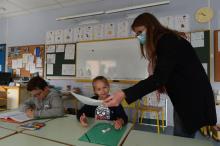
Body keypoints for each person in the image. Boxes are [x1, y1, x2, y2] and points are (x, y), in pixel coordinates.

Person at [104, 12, 217, 138]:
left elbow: (159, 78)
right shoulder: (165, 41)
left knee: (185, 138)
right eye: (136, 34)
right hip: (186, 99)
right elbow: (163, 76)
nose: (138, 36)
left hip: (192, 100)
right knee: (182, 135)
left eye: (140, 32)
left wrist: (124, 93)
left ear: (151, 27)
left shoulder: (167, 41)